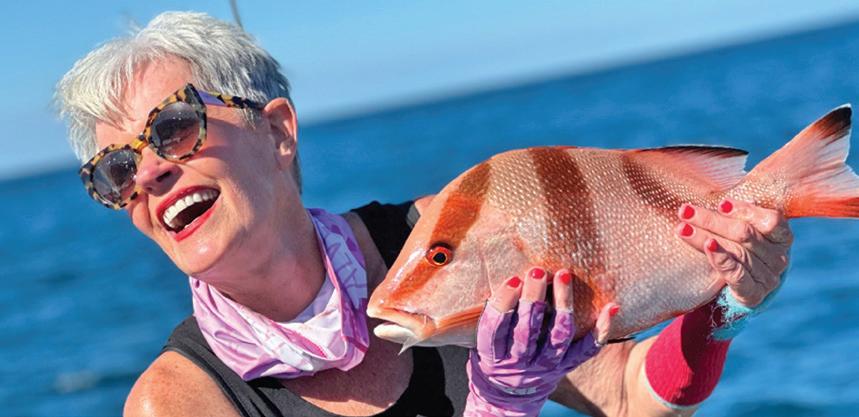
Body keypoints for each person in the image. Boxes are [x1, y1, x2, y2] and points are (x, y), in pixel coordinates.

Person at [56, 11, 792, 417]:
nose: (148, 171)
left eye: (173, 127)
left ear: (278, 131)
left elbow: (630, 395)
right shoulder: (179, 401)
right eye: (116, 169)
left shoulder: (443, 242)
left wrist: (728, 304)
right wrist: (499, 402)